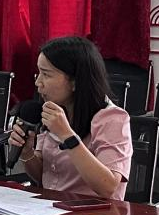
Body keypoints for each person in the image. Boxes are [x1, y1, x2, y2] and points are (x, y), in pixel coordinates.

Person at [8, 35, 132, 200]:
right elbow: (44, 177)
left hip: (93, 212)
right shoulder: (54, 110)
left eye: (46, 74)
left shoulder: (112, 119)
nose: (38, 82)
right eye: (39, 73)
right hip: (51, 208)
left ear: (75, 82)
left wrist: (67, 136)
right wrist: (27, 152)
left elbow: (108, 187)